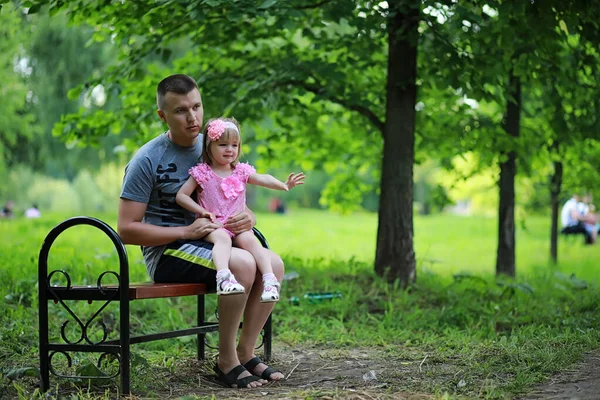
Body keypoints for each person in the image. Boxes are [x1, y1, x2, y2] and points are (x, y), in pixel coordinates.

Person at [117, 74, 284, 388]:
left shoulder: (216, 146)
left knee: (274, 264)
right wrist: (185, 231)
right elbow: (126, 230)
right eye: (181, 110)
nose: (192, 117)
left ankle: (246, 353)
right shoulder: (147, 160)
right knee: (243, 264)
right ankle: (225, 361)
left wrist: (249, 218)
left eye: (196, 106)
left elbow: (235, 198)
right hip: (169, 252)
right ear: (162, 116)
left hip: (215, 239)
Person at [176, 117, 304, 303]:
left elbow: (263, 178)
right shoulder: (203, 172)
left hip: (237, 225)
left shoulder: (240, 171)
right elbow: (181, 196)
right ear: (209, 146)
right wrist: (201, 211)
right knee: (222, 238)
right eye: (223, 144)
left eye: (234, 145)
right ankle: (223, 277)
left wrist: (283, 185)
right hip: (215, 224)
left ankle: (269, 280)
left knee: (251, 242)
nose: (230, 149)